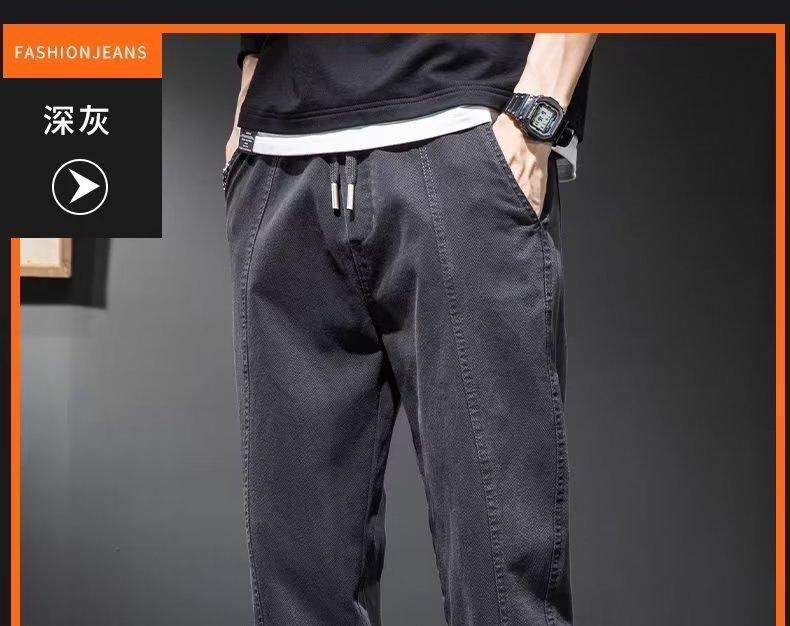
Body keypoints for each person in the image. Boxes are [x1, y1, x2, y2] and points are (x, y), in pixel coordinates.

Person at [223, 33, 596, 626]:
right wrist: (250, 81)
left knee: (503, 580)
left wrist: (538, 111)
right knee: (295, 591)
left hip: (462, 136)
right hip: (280, 151)